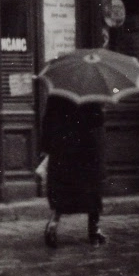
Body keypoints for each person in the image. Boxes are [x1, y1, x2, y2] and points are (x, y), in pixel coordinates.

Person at [39, 94, 107, 248]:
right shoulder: (92, 94)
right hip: (86, 149)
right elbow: (97, 121)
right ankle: (94, 231)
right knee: (92, 190)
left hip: (62, 148)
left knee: (63, 190)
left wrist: (46, 148)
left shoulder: (57, 94)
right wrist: (102, 110)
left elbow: (47, 121)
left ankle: (53, 225)